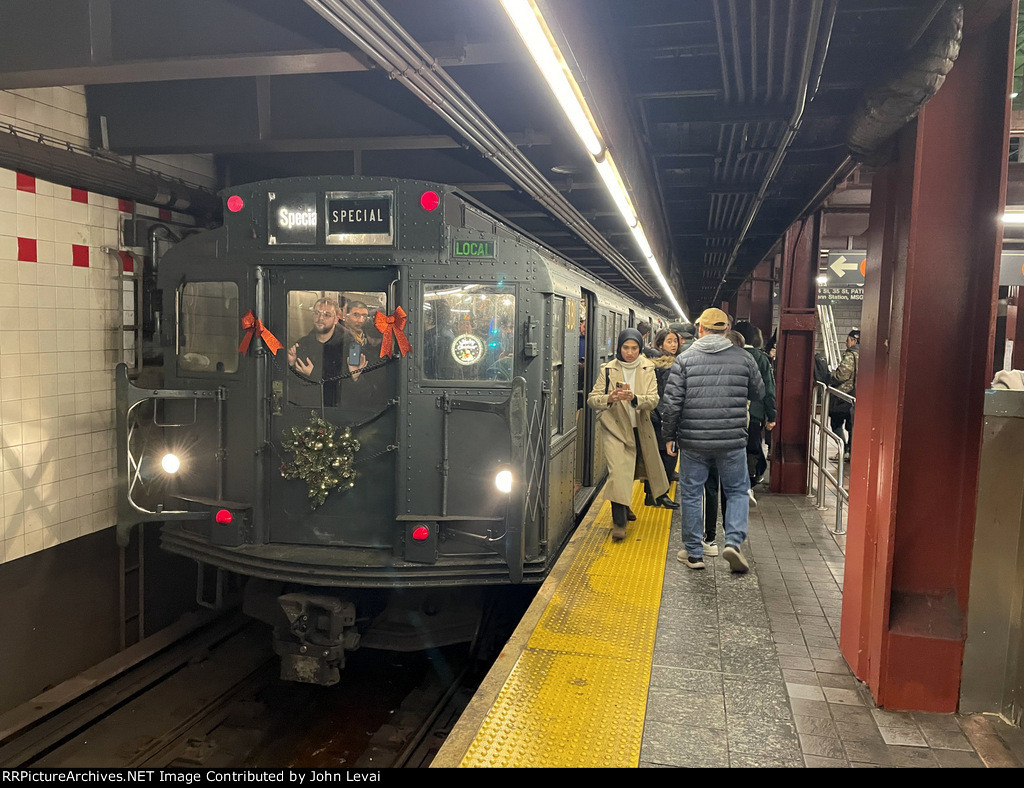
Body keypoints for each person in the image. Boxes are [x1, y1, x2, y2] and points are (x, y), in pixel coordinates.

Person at [660, 308, 764, 572]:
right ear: (726, 330)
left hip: (694, 441)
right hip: (731, 439)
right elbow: (759, 392)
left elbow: (671, 404)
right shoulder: (744, 358)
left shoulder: (684, 359)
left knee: (692, 493)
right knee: (738, 490)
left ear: (701, 329)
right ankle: (733, 542)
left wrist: (669, 436)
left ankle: (694, 554)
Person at [587, 328, 677, 542]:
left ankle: (626, 506)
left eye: (634, 348)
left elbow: (653, 399)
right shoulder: (607, 369)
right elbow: (592, 399)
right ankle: (619, 523)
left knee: (633, 471)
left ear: (640, 348)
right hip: (615, 428)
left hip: (640, 428)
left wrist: (635, 398)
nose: (629, 352)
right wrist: (610, 397)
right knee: (618, 472)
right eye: (625, 347)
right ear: (619, 348)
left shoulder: (648, 368)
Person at [733, 321, 776, 486]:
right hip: (755, 413)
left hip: (732, 412)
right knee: (752, 446)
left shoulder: (728, 355)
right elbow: (769, 390)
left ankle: (735, 479)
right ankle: (750, 479)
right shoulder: (761, 359)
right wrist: (771, 416)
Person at [288, 297, 347, 407]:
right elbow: (293, 385)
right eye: (317, 313)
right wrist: (291, 364)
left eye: (327, 315)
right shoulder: (302, 344)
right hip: (305, 409)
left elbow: (346, 386)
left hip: (335, 411)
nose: (320, 318)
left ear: (336, 319)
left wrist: (314, 374)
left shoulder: (346, 346)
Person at [649, 329, 683, 482]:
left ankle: (661, 485)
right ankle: (662, 488)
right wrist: (668, 417)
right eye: (669, 341)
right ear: (660, 343)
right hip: (664, 415)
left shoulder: (669, 362)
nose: (673, 344)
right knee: (669, 452)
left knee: (663, 451)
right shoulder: (667, 366)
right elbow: (666, 394)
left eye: (675, 341)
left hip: (660, 414)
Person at [829, 329, 860, 461]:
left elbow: (842, 375)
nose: (846, 342)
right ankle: (851, 452)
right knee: (852, 426)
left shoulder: (851, 355)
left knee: (836, 423)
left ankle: (844, 449)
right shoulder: (868, 354)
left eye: (847, 340)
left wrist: (830, 375)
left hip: (844, 395)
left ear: (854, 340)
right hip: (858, 396)